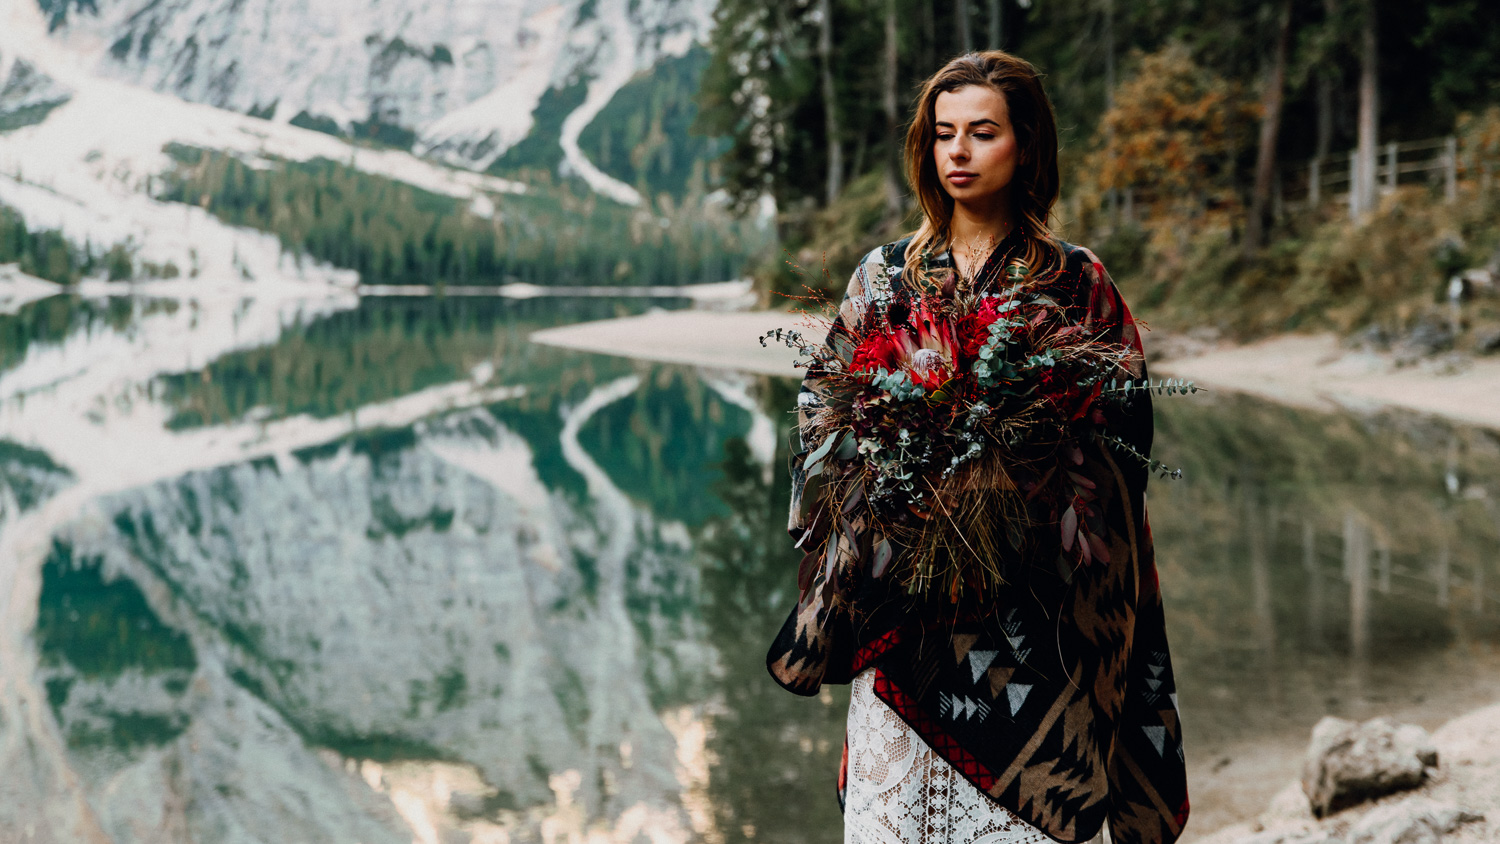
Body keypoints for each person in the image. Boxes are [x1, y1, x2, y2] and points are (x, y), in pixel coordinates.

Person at [766, 51, 1190, 844]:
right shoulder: (885, 274)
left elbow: (1128, 444)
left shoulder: (1077, 280)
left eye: (982, 133)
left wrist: (1022, 466)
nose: (957, 152)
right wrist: (894, 472)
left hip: (1037, 612)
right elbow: (819, 414)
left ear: (1026, 145)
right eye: (942, 134)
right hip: (905, 608)